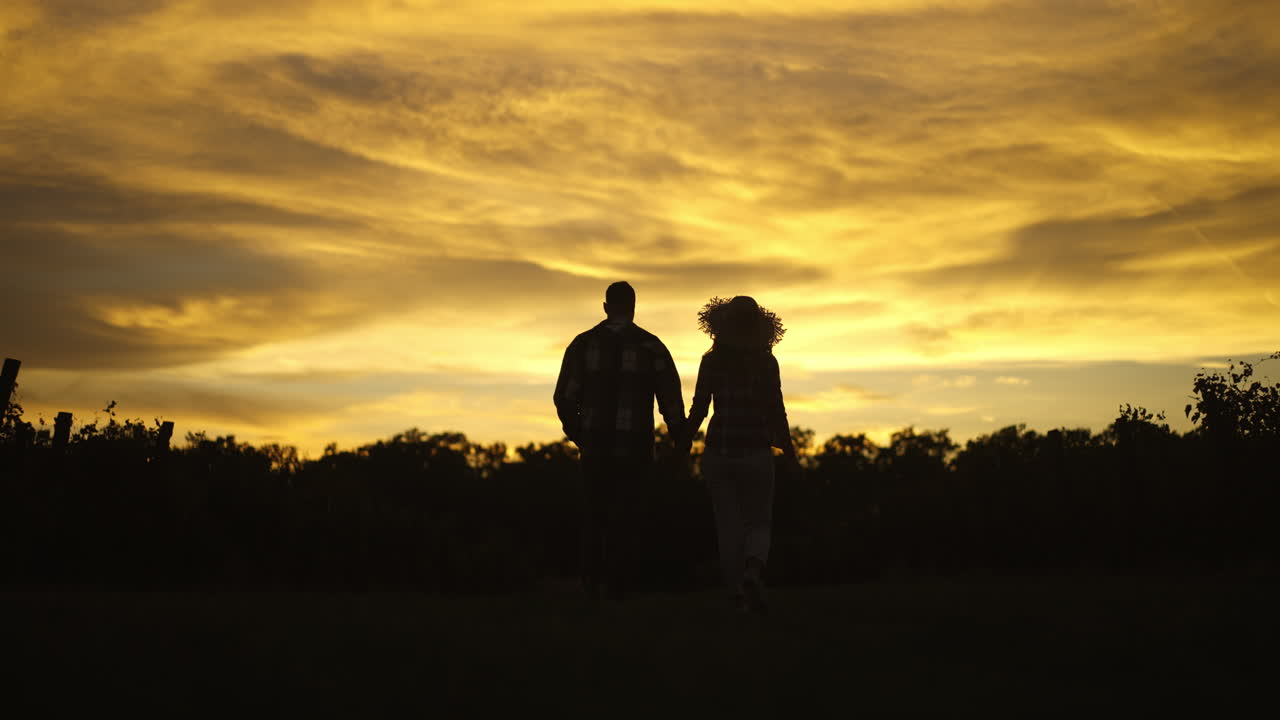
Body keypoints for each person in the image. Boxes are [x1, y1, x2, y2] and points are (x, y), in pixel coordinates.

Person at [554, 281, 685, 604]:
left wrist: (580, 434)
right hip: (636, 448)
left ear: (605, 306)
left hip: (595, 448)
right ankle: (619, 588)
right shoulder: (651, 346)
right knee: (628, 516)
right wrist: (679, 438)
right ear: (634, 306)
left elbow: (564, 397)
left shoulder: (583, 345)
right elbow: (670, 400)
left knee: (595, 515)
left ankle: (591, 585)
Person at [677, 295, 797, 614]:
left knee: (727, 525)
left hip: (720, 451)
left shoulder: (712, 361)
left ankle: (736, 596)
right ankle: (753, 572)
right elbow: (776, 410)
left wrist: (684, 439)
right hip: (757, 451)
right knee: (759, 521)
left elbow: (700, 408)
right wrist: (789, 448)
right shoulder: (766, 363)